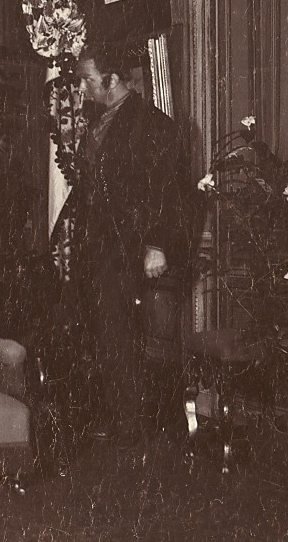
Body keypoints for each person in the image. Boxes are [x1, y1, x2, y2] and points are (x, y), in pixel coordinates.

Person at [64, 43, 194, 437]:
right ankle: (121, 421)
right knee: (108, 336)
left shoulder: (153, 125)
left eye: (88, 79)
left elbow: (168, 189)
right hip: (100, 249)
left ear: (113, 79)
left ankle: (136, 428)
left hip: (133, 249)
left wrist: (156, 245)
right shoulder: (101, 120)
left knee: (133, 340)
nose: (82, 88)